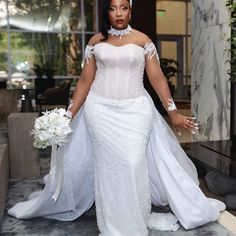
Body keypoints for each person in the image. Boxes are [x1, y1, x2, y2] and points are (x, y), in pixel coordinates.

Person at [8, 0, 226, 235]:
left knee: (133, 162)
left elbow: (158, 79)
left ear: (130, 10)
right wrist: (68, 114)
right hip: (99, 111)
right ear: (107, 12)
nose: (119, 13)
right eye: (113, 8)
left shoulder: (143, 41)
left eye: (123, 7)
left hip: (136, 110)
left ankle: (137, 217)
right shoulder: (96, 41)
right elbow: (84, 81)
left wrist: (172, 112)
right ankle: (114, 225)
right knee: (108, 168)